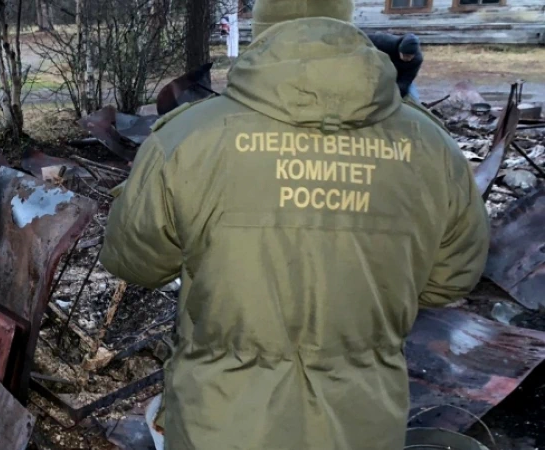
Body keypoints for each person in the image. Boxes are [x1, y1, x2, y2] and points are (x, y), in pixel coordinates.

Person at [98, 0, 490, 448]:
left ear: (260, 33)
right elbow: (450, 281)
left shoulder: (187, 138)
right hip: (361, 422)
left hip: (222, 422)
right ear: (348, 25)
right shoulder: (431, 147)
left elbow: (136, 261)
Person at [369, 32, 424, 101]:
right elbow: (363, 39)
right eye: (405, 55)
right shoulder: (385, 42)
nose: (408, 59)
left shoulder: (416, 60)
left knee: (414, 98)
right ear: (399, 50)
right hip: (380, 72)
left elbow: (405, 81)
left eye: (410, 56)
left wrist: (395, 96)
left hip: (400, 77)